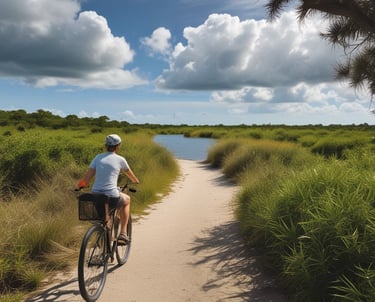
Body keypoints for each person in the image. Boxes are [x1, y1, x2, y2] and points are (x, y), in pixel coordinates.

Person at [77, 134, 139, 245]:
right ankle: (123, 233)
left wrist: (81, 185)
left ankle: (105, 248)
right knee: (127, 200)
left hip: (96, 195)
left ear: (106, 145)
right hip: (112, 195)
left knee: (105, 219)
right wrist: (135, 181)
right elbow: (129, 174)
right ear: (118, 146)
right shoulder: (120, 159)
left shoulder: (97, 157)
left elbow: (86, 179)